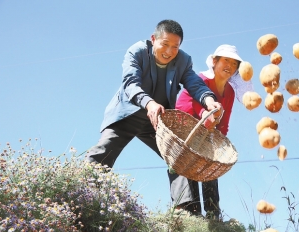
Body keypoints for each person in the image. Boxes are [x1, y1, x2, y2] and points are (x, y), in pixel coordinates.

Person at [85, 20, 223, 211]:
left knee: (179, 158)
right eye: (164, 44)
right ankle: (82, 194)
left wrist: (208, 100)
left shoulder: (183, 60)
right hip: (128, 113)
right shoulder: (137, 51)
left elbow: (195, 84)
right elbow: (130, 83)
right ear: (153, 39)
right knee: (104, 151)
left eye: (175, 47)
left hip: (159, 121)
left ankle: (185, 213)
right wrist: (148, 103)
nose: (169, 51)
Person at [171, 44, 254, 220]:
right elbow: (192, 104)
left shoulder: (229, 92)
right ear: (214, 62)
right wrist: (205, 116)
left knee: (209, 165)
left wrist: (220, 141)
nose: (230, 66)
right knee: (187, 166)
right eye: (226, 60)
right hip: (185, 126)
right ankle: (190, 214)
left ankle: (213, 213)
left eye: (234, 63)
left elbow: (225, 120)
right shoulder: (201, 79)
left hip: (206, 131)